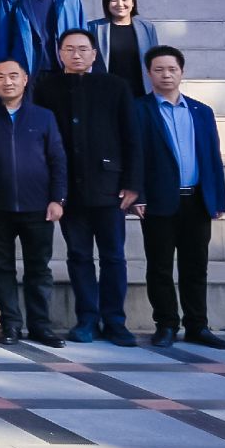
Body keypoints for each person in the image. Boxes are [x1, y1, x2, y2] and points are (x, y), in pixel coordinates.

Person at [35, 28, 141, 345]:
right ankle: (87, 320)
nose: (76, 54)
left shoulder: (115, 86)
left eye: (83, 49)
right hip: (69, 189)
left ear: (94, 54)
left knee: (113, 256)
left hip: (110, 187)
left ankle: (115, 321)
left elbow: (132, 136)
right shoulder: (47, 87)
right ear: (59, 53)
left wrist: (132, 184)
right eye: (69, 49)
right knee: (79, 256)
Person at [134, 45, 225, 349]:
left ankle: (197, 326)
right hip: (158, 202)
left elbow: (213, 158)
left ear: (181, 72)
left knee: (195, 267)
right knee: (159, 267)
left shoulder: (201, 111)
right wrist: (138, 194)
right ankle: (166, 324)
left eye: (172, 69)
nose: (166, 75)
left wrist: (218, 199)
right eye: (159, 69)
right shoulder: (139, 109)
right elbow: (135, 156)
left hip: (197, 202)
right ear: (149, 73)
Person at [0, 60, 68, 347]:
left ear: (25, 79)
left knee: (38, 268)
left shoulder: (43, 116)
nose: (7, 82)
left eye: (13, 76)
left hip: (38, 207)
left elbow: (58, 159)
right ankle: (11, 324)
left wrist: (57, 198)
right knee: (1, 267)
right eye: (0, 76)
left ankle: (41, 325)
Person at [89, 0, 157, 97]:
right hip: (106, 95)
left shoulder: (147, 28)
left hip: (141, 94)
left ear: (133, 2)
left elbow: (155, 61)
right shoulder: (94, 28)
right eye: (114, 0)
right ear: (106, 3)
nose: (120, 4)